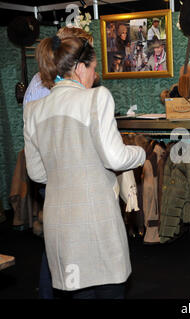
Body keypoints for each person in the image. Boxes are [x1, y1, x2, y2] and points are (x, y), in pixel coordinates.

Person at [24, 34, 146, 299]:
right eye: (92, 68)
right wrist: (140, 153)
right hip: (96, 222)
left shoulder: (33, 110)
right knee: (110, 292)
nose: (95, 74)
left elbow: (36, 173)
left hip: (60, 226)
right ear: (80, 68)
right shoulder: (96, 99)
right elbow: (114, 158)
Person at [24, 26, 95, 300]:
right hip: (63, 175)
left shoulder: (38, 82)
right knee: (71, 245)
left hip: (49, 173)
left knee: (55, 243)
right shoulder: (56, 87)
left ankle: (48, 292)